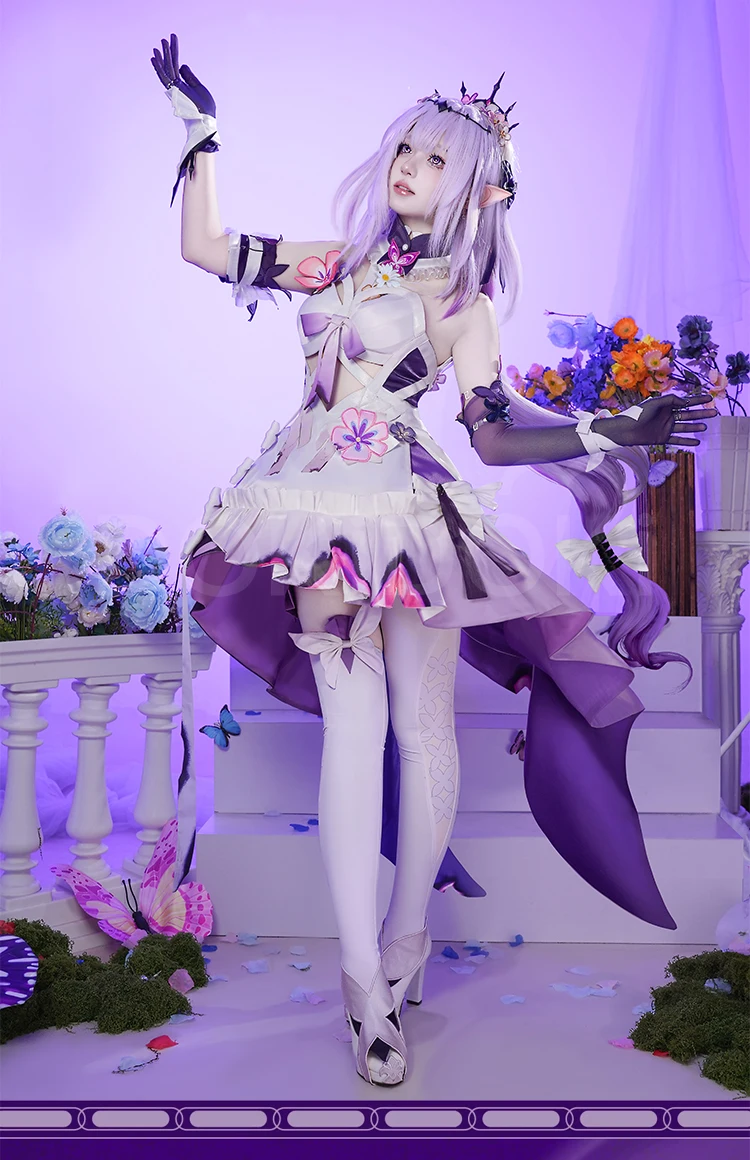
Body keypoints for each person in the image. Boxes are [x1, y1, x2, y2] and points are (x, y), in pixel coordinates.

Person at [151, 35, 717, 1087]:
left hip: (409, 515)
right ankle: (362, 983)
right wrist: (202, 133)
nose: (408, 167)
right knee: (353, 734)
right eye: (403, 150)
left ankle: (405, 941)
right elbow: (206, 247)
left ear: (478, 189)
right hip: (312, 509)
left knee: (421, 731)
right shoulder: (333, 261)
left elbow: (492, 431)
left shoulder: (465, 301)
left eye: (436, 158)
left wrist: (601, 431)